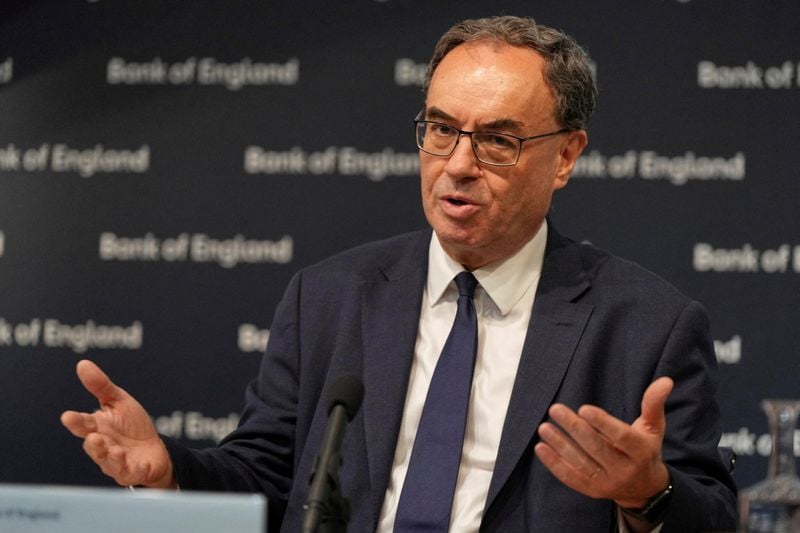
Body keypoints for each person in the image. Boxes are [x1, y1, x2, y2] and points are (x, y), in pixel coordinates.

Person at [61, 15, 737, 532]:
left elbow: (709, 514)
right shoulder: (329, 297)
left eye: (497, 140)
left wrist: (647, 493)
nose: (458, 164)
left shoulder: (647, 325)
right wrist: (170, 471)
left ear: (565, 156)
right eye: (441, 129)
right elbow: (267, 477)